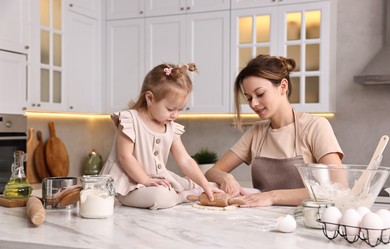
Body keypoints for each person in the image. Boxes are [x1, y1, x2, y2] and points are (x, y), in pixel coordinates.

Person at [205, 54, 344, 207]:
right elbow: (212, 171)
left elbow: (339, 188)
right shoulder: (257, 132)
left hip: (304, 221)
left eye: (260, 94)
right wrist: (226, 178)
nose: (254, 104)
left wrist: (273, 196)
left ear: (283, 86)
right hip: (262, 222)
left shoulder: (315, 126)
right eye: (249, 98)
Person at [101, 63, 220, 210]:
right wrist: (145, 180)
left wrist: (204, 184)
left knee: (198, 184)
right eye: (170, 109)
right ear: (150, 98)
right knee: (160, 196)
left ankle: (197, 189)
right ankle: (183, 196)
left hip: (157, 180)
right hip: (128, 184)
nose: (175, 115)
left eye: (180, 109)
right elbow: (124, 157)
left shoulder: (170, 127)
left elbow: (185, 160)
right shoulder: (130, 120)